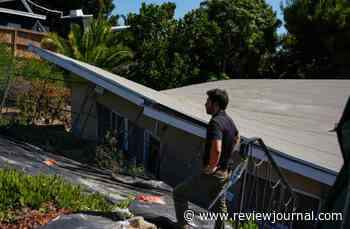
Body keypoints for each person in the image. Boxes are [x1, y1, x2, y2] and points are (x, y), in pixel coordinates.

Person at [173, 88, 239, 229]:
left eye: (207, 101)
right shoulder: (229, 121)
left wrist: (212, 165)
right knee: (219, 204)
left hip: (214, 173)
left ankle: (183, 226)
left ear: (214, 104)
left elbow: (217, 148)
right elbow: (237, 138)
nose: (205, 104)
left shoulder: (215, 122)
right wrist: (227, 156)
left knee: (179, 193)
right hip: (225, 171)